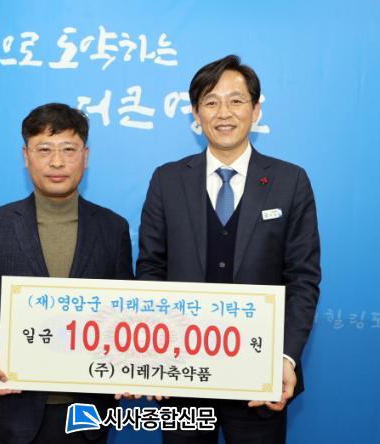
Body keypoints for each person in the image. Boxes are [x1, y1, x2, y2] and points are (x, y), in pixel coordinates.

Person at [136, 55, 321, 443]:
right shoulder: (167, 180)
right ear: (195, 113)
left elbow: (303, 279)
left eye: (236, 101)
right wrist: (152, 355)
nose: (224, 113)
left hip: (260, 377)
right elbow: (151, 270)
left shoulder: (290, 181)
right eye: (211, 102)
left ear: (256, 110)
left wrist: (285, 358)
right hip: (181, 376)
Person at [0, 103, 133, 444]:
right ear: (26, 156)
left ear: (85, 156)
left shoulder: (113, 228)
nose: (57, 162)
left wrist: (130, 363)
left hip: (87, 415)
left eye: (68, 149)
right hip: (12, 412)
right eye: (44, 149)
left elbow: (126, 309)